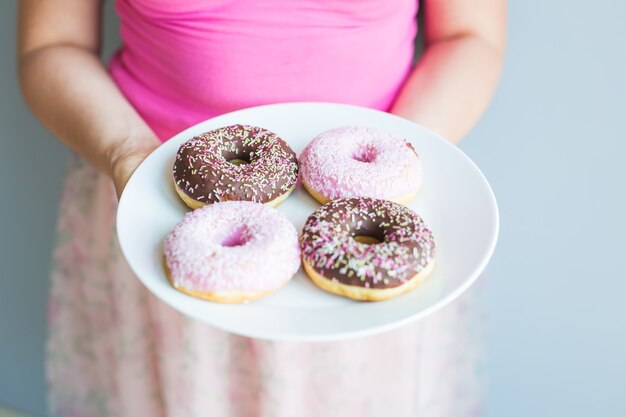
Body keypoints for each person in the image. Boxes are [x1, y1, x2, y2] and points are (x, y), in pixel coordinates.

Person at [18, 0, 505, 416]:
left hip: (376, 241)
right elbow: (51, 44)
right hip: (154, 209)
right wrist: (128, 155)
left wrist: (398, 162)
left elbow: (470, 36)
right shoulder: (144, 192)